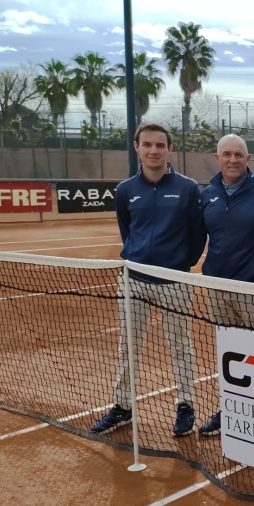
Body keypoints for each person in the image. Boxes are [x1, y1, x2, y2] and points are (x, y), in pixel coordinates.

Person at [91, 121, 206, 437]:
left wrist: (180, 265)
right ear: (137, 148)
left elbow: (197, 236)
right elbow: (127, 230)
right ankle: (123, 407)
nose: (154, 150)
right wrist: (138, 258)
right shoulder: (126, 190)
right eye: (147, 145)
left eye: (160, 145)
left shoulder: (187, 188)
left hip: (174, 282)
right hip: (133, 281)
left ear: (170, 149)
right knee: (128, 346)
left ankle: (186, 405)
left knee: (181, 346)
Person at [197, 134, 254, 436]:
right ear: (217, 158)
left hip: (253, 288)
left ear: (248, 158)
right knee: (229, 351)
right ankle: (230, 407)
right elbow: (199, 236)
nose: (232, 160)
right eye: (226, 154)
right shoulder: (208, 193)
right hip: (217, 286)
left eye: (238, 154)